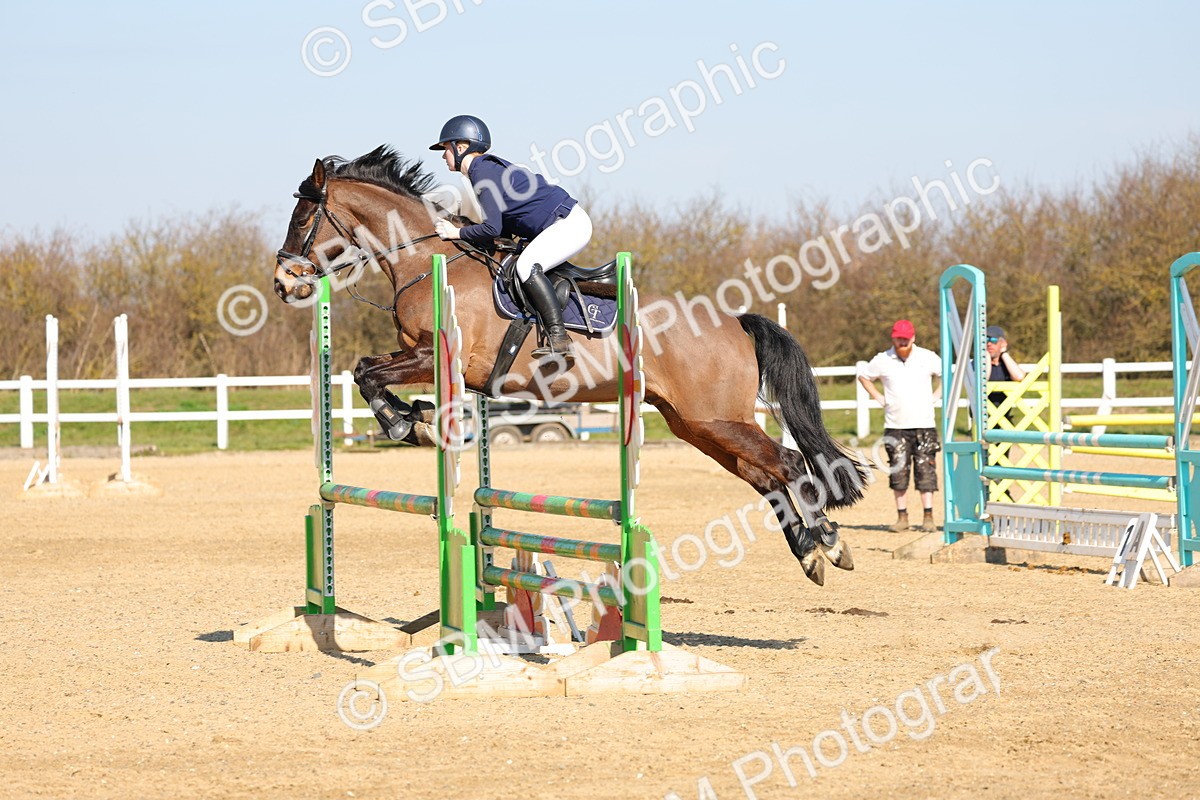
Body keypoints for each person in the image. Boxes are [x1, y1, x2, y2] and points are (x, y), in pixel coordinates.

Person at [429, 114, 592, 361]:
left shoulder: (482, 172)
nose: (443, 156)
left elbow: (492, 229)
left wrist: (456, 233)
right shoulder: (483, 171)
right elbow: (502, 231)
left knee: (527, 266)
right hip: (561, 223)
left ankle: (559, 339)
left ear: (460, 148)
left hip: (569, 224)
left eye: (446, 149)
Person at [858, 320, 942, 532]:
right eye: (898, 338)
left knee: (926, 471)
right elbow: (864, 377)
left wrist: (936, 396)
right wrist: (879, 397)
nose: (902, 342)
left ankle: (928, 516)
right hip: (895, 425)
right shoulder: (882, 359)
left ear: (913, 337)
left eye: (905, 338)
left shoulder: (928, 357)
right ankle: (902, 517)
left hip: (924, 424)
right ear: (893, 338)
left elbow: (947, 376)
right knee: (898, 472)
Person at [985, 325, 1026, 413]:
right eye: (986, 340)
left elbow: (1019, 376)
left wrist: (1004, 353)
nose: (989, 344)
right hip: (982, 418)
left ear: (1003, 343)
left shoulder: (1007, 364)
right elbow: (982, 380)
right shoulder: (977, 364)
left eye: (993, 340)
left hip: (1004, 418)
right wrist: (986, 356)